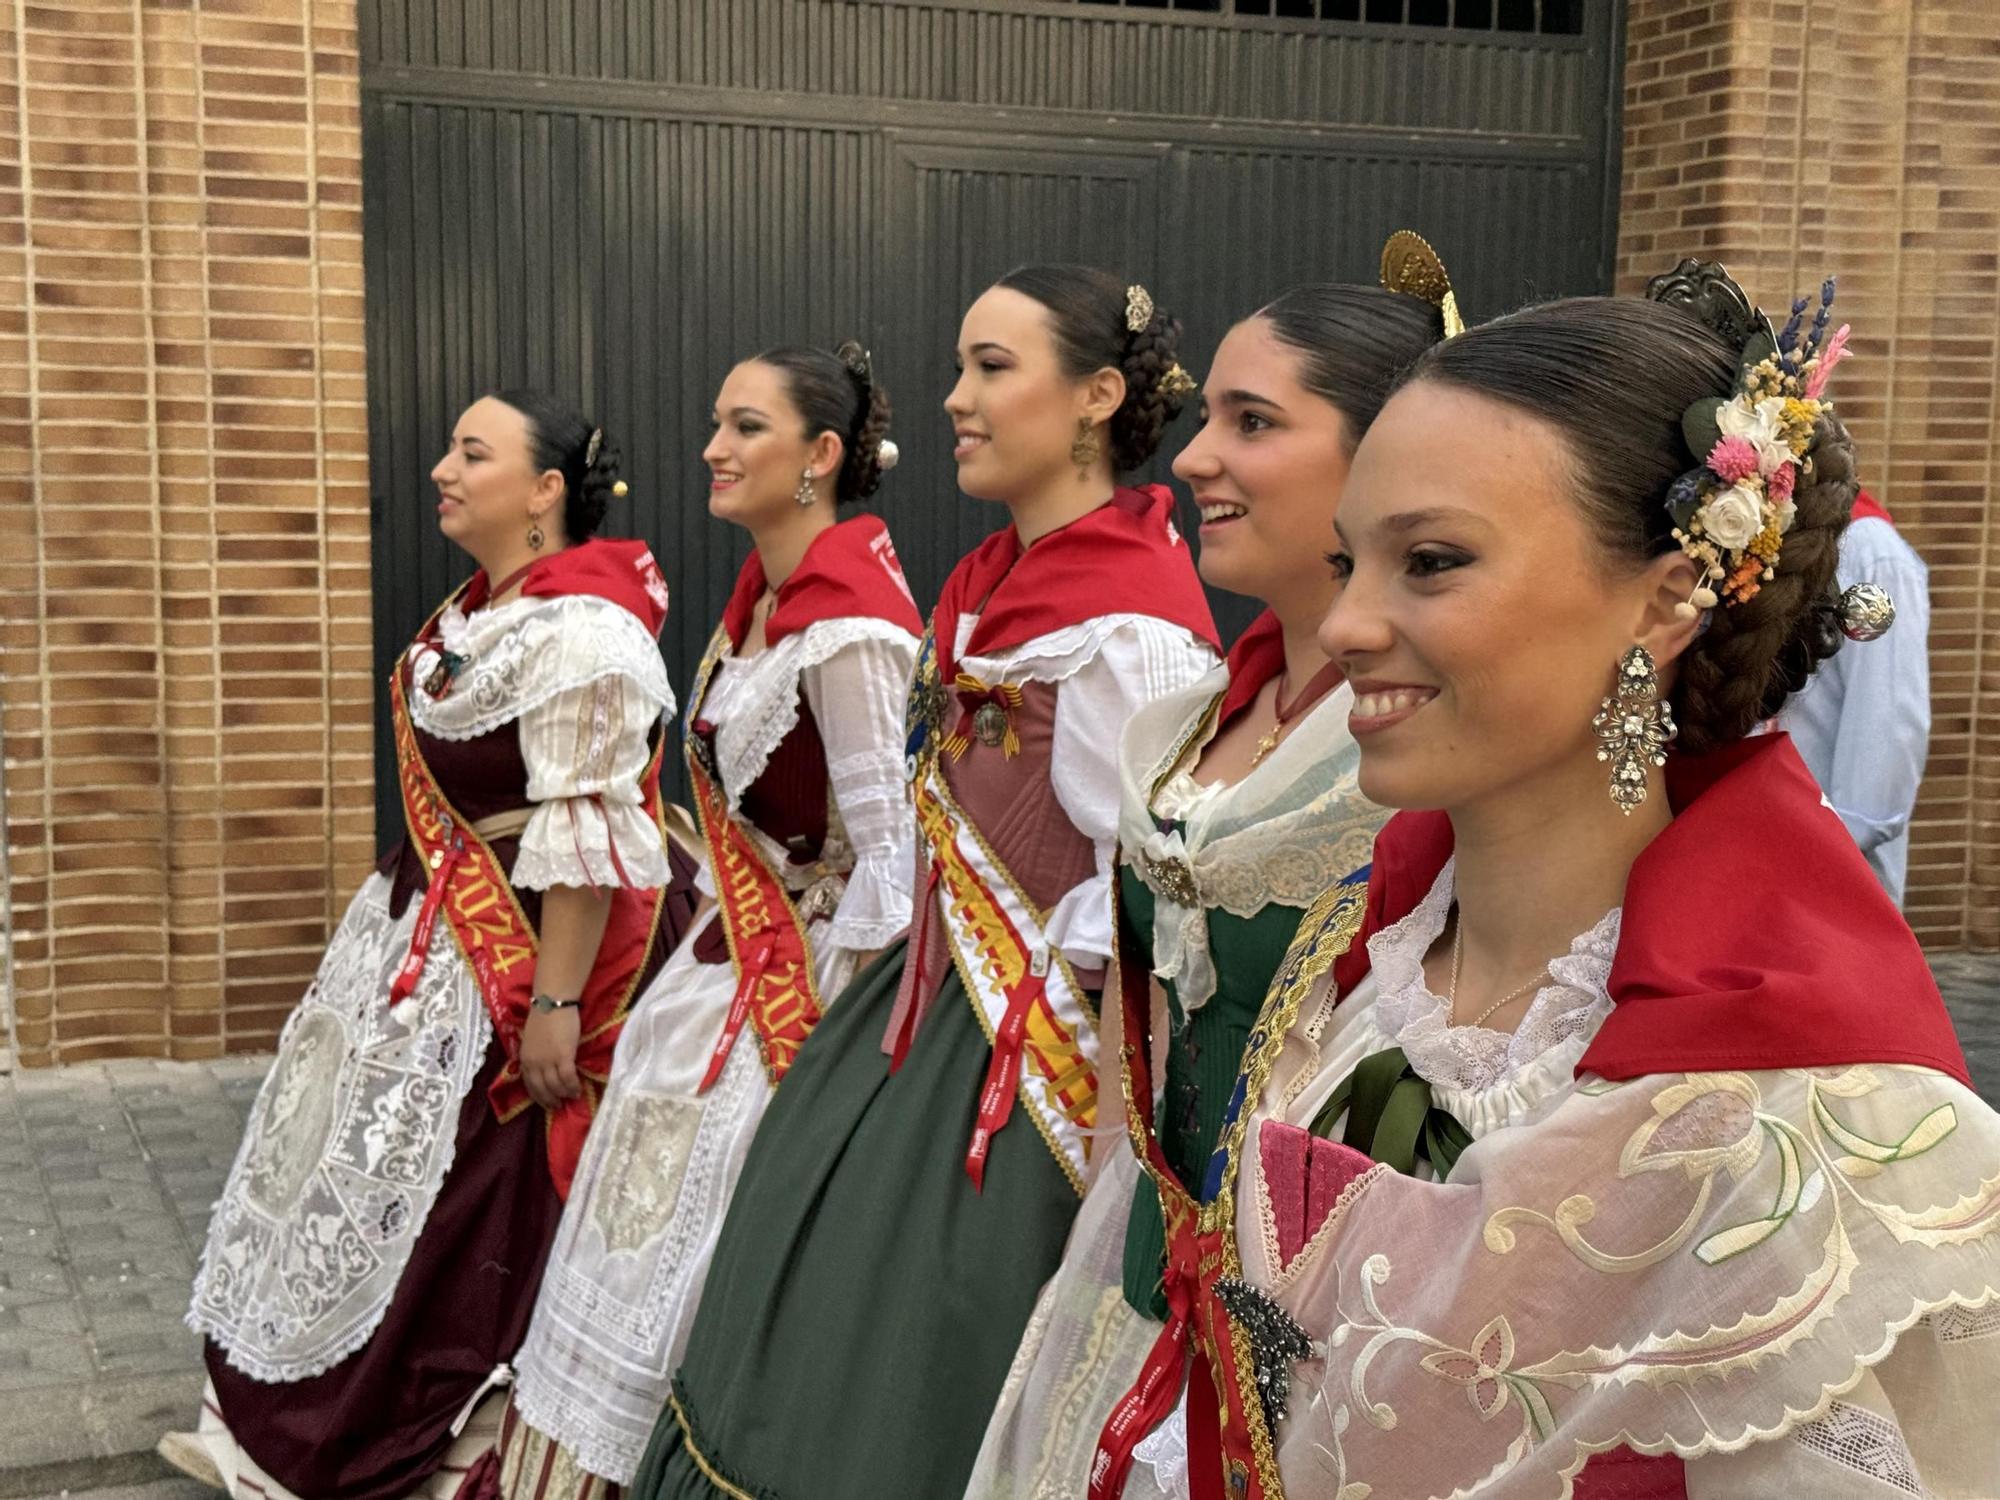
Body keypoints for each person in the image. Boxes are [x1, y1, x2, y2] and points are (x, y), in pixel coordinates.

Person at [1111, 266, 1998, 1499]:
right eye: (1348, 561)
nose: (1353, 624)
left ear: (1666, 597)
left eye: (1427, 561)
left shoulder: (1796, 1113)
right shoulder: (1354, 964)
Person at [625, 265, 1222, 1500]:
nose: (955, 398)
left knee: (906, 1364)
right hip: (921, 1015)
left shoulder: (1131, 627)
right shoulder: (985, 588)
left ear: (1097, 396)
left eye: (992, 369)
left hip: (1028, 1081)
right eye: (959, 366)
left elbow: (1150, 909)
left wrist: (1120, 1161)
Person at [964, 236, 1456, 1499]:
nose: (1189, 457)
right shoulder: (1182, 725)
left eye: (1252, 422)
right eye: (1206, 418)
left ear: (1386, 459)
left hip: (1314, 1335)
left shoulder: (1428, 745)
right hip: (1143, 1276)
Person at [163, 393, 699, 1500]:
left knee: (453, 1197)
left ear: (546, 490)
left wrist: (553, 1009)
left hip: (515, 964)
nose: (442, 470)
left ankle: (442, 1435)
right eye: (450, 448)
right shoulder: (481, 612)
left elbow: (587, 837)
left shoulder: (583, 631)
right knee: (346, 1163)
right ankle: (272, 1416)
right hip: (423, 939)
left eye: (472, 452)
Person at [485, 343, 923, 1498]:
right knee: (633, 1229)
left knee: (692, 1242)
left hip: (799, 989)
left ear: (819, 459)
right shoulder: (765, 608)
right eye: (715, 426)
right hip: (722, 968)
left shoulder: (854, 628)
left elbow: (894, 853)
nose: (712, 450)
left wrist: (844, 1048)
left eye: (744, 429)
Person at [1778, 488, 1931, 903]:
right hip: (1768, 839)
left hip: (1833, 859)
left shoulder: (1869, 551)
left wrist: (1839, 840)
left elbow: (1889, 722)